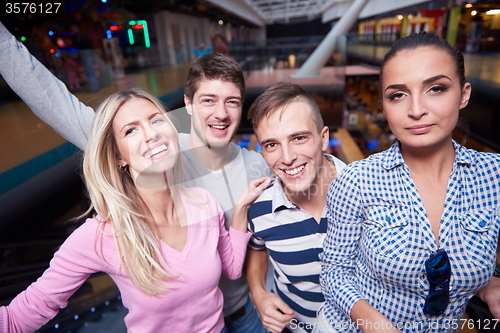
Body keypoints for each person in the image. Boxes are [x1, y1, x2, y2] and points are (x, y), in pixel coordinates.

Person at [0, 21, 270, 333]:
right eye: (208, 100)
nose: (221, 113)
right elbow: (24, 313)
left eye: (232, 102)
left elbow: (242, 258)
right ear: (187, 106)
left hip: (240, 315)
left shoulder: (221, 190)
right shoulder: (110, 227)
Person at [320, 32, 500, 333]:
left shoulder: (494, 176)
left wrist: (490, 284)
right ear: (384, 104)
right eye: (398, 95)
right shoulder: (357, 180)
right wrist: (373, 323)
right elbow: (334, 271)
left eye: (436, 88)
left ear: (464, 94)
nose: (416, 110)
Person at [245, 82, 346, 333]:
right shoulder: (259, 208)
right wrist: (259, 294)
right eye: (271, 145)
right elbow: (256, 249)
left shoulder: (368, 192)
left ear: (324, 138)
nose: (287, 157)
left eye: (298, 138)